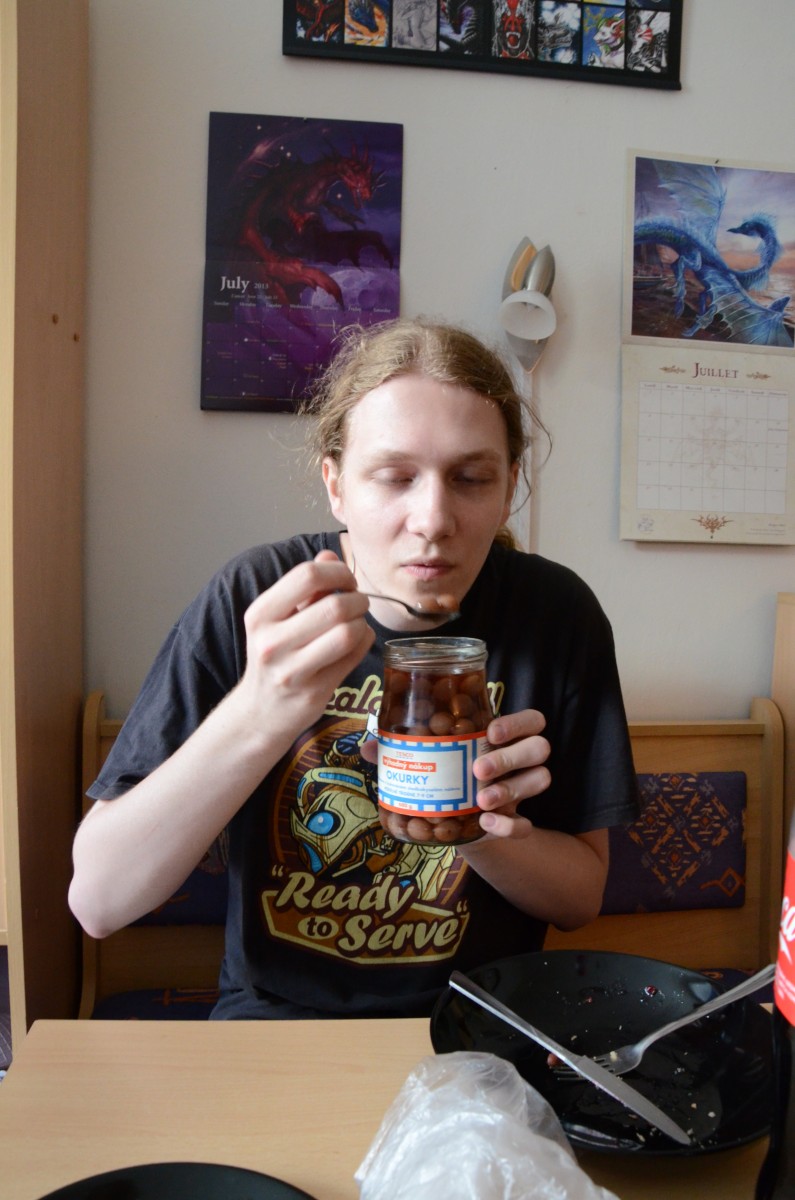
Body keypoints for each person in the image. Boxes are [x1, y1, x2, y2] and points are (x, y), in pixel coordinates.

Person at [69, 317, 639, 1020]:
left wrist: (471, 825)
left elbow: (579, 900)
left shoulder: (556, 614)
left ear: (510, 486)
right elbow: (99, 900)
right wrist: (260, 711)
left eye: (470, 479)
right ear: (335, 484)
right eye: (394, 478)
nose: (432, 519)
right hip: (276, 1028)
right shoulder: (257, 600)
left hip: (477, 1031)